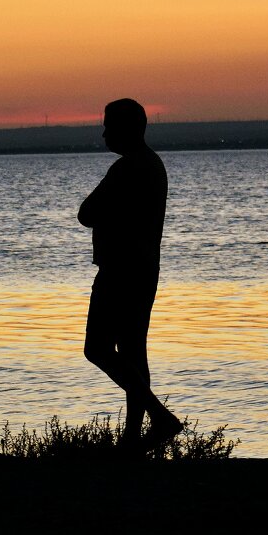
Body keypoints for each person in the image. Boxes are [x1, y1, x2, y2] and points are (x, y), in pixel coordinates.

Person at [79, 98, 184, 452]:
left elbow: (87, 213)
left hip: (120, 271)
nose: (105, 133)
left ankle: (159, 417)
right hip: (144, 269)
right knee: (133, 352)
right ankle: (133, 439)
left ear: (127, 128)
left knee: (97, 348)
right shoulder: (153, 165)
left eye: (109, 125)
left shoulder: (128, 168)